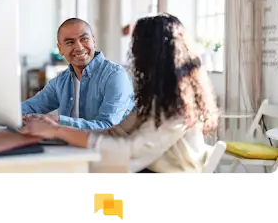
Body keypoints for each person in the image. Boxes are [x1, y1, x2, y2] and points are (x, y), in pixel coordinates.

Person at [21, 13, 220, 179]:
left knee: (94, 208)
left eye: (137, 48)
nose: (133, 55)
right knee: (91, 202)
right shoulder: (161, 96)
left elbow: (131, 151)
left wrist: (58, 130)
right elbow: (118, 129)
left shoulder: (179, 108)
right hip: (148, 178)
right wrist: (50, 126)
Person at [21, 18, 134, 130]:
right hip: (72, 146)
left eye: (84, 39)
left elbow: (108, 128)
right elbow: (31, 107)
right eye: (70, 42)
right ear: (60, 49)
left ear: (93, 41)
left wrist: (59, 121)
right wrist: (11, 114)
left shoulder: (115, 76)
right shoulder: (61, 81)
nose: (79, 48)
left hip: (107, 147)